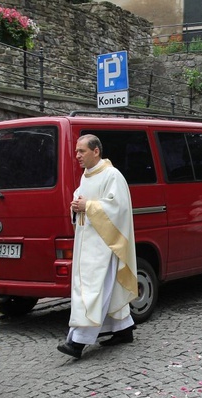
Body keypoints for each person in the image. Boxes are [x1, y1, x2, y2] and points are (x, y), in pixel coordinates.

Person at [57, 134, 138, 359]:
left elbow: (117, 208)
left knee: (93, 292)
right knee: (102, 290)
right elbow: (82, 200)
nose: (77, 156)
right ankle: (124, 329)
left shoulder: (112, 175)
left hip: (106, 245)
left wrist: (88, 206)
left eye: (81, 151)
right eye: (76, 152)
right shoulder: (87, 176)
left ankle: (78, 342)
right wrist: (76, 206)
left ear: (96, 151)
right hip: (88, 243)